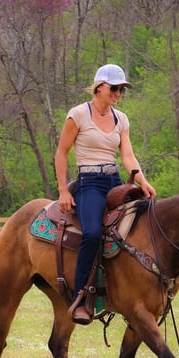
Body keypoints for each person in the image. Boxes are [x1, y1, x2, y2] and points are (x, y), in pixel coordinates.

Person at [55, 63, 156, 325]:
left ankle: (140, 288)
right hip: (90, 182)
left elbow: (128, 155)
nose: (118, 94)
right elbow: (62, 153)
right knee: (91, 233)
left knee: (145, 222)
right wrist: (63, 189)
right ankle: (80, 297)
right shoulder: (78, 115)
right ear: (99, 87)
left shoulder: (121, 119)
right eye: (114, 89)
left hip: (114, 180)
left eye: (121, 90)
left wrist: (143, 182)